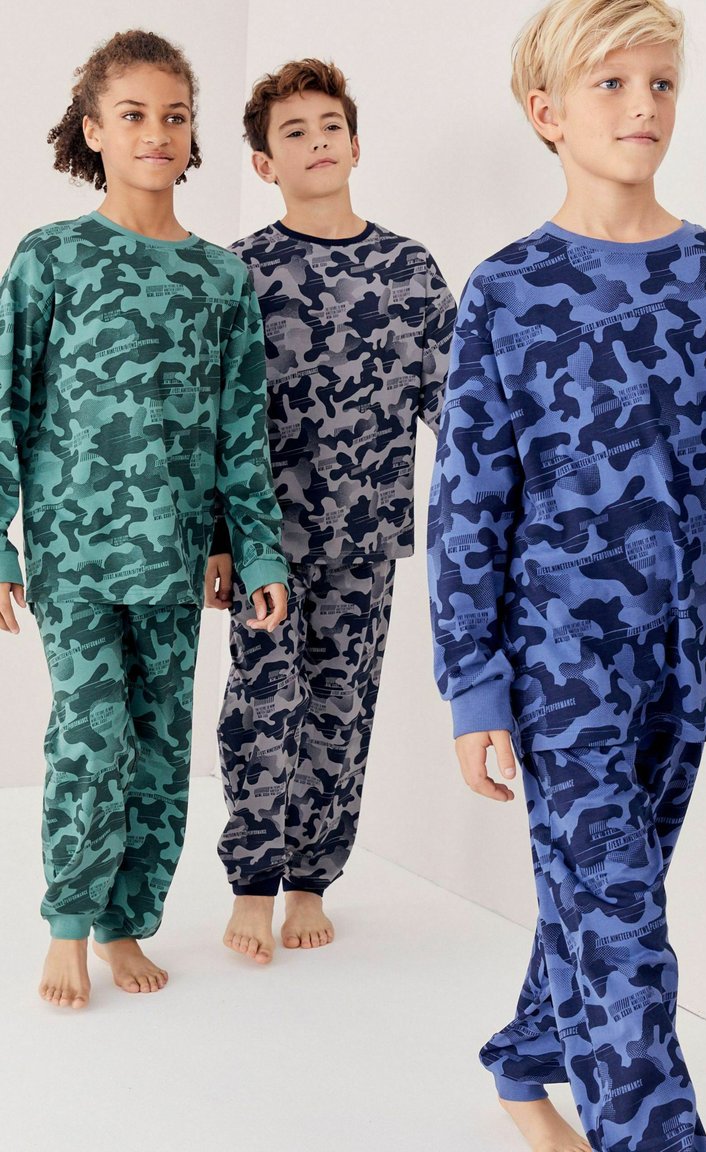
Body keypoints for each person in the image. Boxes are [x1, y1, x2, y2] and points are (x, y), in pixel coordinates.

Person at [428, 1, 706, 1148]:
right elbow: (467, 501)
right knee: (624, 937)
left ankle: (519, 1065)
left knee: (601, 908)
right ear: (544, 111)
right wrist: (473, 686)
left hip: (689, 663)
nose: (642, 106)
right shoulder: (507, 291)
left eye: (660, 83)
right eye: (610, 83)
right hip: (559, 670)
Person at [0, 29, 288, 1010]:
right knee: (92, 738)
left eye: (175, 116)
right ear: (94, 129)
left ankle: (126, 921)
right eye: (133, 114)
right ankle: (67, 925)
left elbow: (240, 429)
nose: (157, 132)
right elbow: (6, 399)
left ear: (194, 134)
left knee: (161, 750)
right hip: (74, 554)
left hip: (175, 557)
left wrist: (251, 548)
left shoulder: (220, 279)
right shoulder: (50, 258)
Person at [206, 59, 456, 963]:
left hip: (366, 537)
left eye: (330, 127)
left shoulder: (409, 269)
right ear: (264, 163)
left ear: (355, 144)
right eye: (294, 132)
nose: (317, 142)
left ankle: (311, 877)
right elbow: (215, 421)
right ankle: (251, 881)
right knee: (262, 705)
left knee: (342, 710)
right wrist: (220, 540)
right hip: (265, 541)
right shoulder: (239, 272)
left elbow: (457, 407)